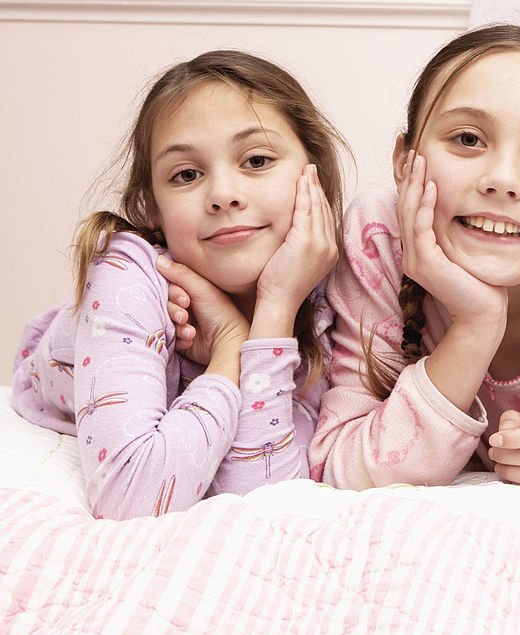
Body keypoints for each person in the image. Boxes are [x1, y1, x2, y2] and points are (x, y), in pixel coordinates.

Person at [308, 24, 520, 502]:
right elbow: (341, 469)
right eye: (469, 139)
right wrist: (476, 324)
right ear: (403, 160)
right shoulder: (378, 241)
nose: (502, 179)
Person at [11, 50, 346, 519]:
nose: (224, 194)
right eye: (187, 174)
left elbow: (265, 496)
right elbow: (134, 498)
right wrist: (234, 344)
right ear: (153, 208)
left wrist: (275, 310)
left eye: (256, 160)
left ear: (317, 177)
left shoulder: (328, 293)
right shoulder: (128, 274)